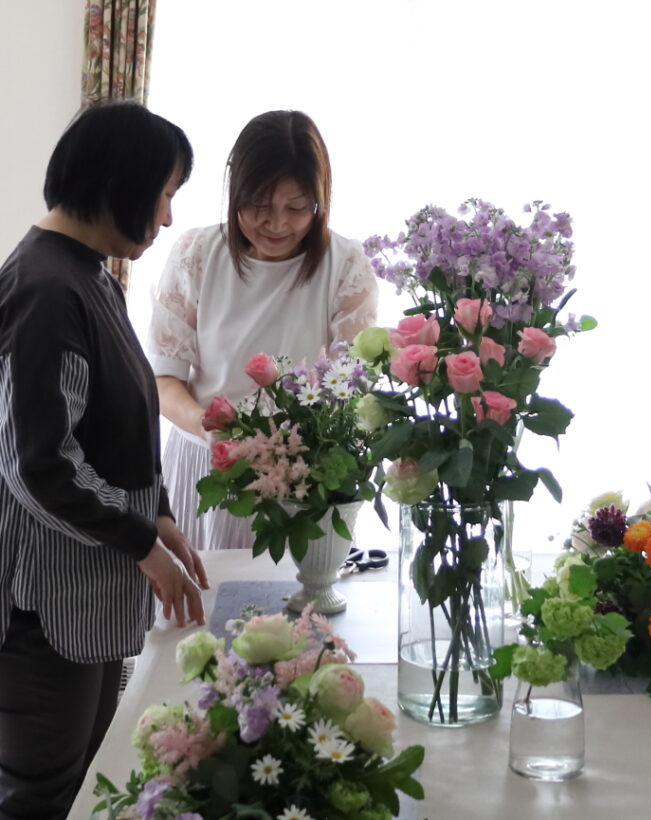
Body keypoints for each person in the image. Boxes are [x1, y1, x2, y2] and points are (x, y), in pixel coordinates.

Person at [0, 102, 207, 820]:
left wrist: (160, 515)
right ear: (121, 183)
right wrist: (142, 541)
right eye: (165, 194)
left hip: (84, 597)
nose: (168, 218)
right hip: (45, 609)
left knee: (89, 783)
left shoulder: (89, 278)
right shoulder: (46, 290)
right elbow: (40, 466)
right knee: (43, 796)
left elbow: (118, 428)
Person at [147, 110, 379, 552]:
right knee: (199, 593)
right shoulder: (197, 253)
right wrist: (212, 431)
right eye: (259, 206)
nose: (277, 224)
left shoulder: (346, 266)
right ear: (235, 193)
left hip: (299, 478)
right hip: (206, 466)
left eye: (296, 208)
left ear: (319, 201)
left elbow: (351, 388)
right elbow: (163, 379)